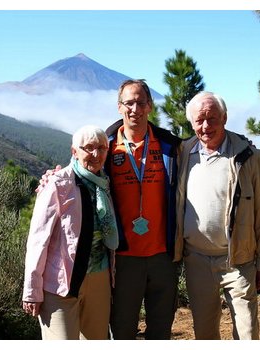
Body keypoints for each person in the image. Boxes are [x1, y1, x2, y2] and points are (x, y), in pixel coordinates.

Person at [36, 79, 182, 340]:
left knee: (160, 332)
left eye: (140, 102)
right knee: (122, 332)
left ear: (149, 105)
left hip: (163, 255)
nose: (134, 108)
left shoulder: (171, 147)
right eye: (128, 103)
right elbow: (80, 168)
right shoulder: (106, 146)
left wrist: (241, 143)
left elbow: (204, 150)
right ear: (119, 107)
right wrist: (52, 177)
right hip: (122, 259)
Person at [173, 91, 260, 340]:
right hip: (196, 259)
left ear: (225, 118)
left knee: (247, 333)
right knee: (205, 333)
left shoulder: (247, 156)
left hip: (238, 261)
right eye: (200, 120)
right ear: (192, 123)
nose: (206, 126)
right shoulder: (183, 153)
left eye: (213, 118)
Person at [22, 125, 119, 340]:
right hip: (60, 284)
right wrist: (32, 290)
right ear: (74, 151)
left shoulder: (105, 183)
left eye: (102, 148)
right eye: (89, 148)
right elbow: (39, 240)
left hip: (99, 278)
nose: (96, 154)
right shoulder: (57, 184)